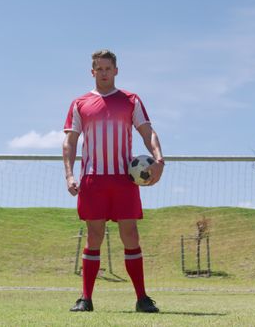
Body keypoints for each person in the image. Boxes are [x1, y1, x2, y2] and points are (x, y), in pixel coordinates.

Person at [62, 49, 165, 313]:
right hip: (93, 179)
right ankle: (86, 298)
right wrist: (70, 174)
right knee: (94, 236)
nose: (104, 73)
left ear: (116, 71)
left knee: (130, 234)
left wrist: (159, 160)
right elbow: (70, 142)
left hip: (124, 180)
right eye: (99, 68)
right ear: (92, 71)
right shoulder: (80, 103)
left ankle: (142, 298)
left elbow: (147, 132)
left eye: (108, 68)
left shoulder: (131, 100)